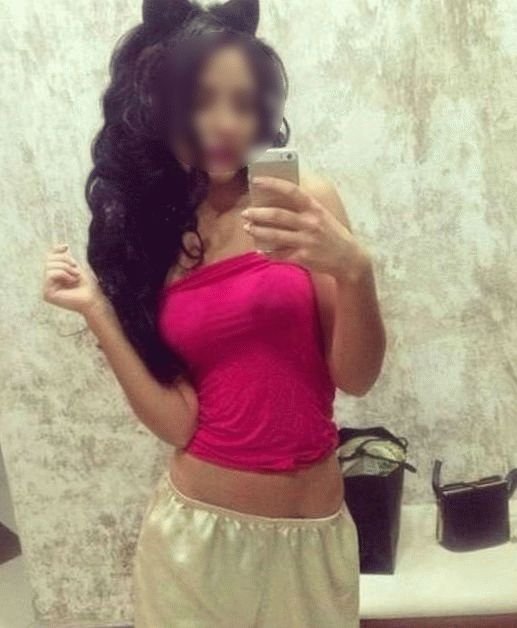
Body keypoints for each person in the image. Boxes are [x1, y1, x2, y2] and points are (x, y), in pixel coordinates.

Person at [42, 0, 386, 625]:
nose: (227, 123)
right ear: (161, 105)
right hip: (198, 542)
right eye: (202, 100)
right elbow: (179, 424)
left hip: (314, 538)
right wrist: (96, 310)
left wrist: (355, 270)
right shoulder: (158, 235)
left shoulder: (301, 198)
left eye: (244, 102)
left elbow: (356, 377)